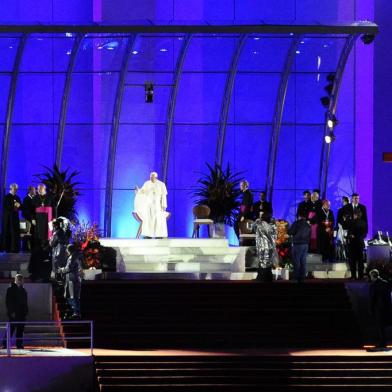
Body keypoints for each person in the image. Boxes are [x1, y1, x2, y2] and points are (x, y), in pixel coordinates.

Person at [135, 172, 168, 238]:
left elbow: (164, 196)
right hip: (149, 206)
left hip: (158, 206)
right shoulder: (147, 183)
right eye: (150, 177)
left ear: (156, 177)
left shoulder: (161, 184)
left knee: (158, 221)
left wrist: (164, 205)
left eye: (152, 177)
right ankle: (148, 235)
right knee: (148, 220)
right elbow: (142, 191)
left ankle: (159, 235)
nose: (151, 178)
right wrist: (138, 190)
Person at [2, 274, 28, 350]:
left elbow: (25, 302)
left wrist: (26, 311)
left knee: (20, 330)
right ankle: (5, 344)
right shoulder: (10, 289)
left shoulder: (23, 290)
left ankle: (19, 344)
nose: (20, 281)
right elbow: (8, 301)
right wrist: (11, 312)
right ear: (15, 280)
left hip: (22, 314)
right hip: (14, 314)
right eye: (18, 279)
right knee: (10, 330)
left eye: (21, 279)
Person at [368, 269, 392, 351]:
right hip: (386, 307)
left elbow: (372, 298)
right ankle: (383, 342)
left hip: (378, 308)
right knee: (383, 326)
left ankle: (382, 342)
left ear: (372, 276)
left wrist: (371, 309)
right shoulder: (385, 283)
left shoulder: (374, 285)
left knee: (380, 326)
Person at [58, 244, 82, 319]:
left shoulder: (72, 257)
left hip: (72, 279)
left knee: (73, 296)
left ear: (69, 250)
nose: (66, 251)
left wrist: (61, 270)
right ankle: (74, 311)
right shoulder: (75, 256)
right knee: (71, 296)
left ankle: (76, 312)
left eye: (67, 250)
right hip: (72, 279)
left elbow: (69, 268)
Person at [253, 211, 277, 282]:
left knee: (262, 263)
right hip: (270, 248)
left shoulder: (259, 225)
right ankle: (268, 278)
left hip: (262, 248)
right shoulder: (272, 226)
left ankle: (261, 278)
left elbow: (252, 228)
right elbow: (275, 236)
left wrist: (257, 221)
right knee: (268, 263)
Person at [288, 213, 311, 283]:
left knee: (296, 261)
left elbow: (290, 232)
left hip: (298, 244)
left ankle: (296, 277)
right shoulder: (307, 224)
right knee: (303, 261)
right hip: (305, 244)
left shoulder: (296, 223)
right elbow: (309, 234)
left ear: (299, 217)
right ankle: (302, 277)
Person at [347, 209, 367, 280]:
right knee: (360, 261)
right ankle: (360, 276)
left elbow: (350, 233)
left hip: (353, 244)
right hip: (361, 243)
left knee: (353, 261)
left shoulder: (352, 222)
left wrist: (349, 236)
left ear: (355, 214)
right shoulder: (364, 222)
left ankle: (353, 276)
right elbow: (365, 234)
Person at [1, 183, 22, 253]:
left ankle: (15, 248)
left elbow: (21, 206)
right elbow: (7, 207)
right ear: (11, 188)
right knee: (8, 232)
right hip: (8, 219)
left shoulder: (17, 197)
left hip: (15, 218)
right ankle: (7, 248)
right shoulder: (6, 197)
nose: (16, 190)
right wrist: (14, 207)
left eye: (16, 189)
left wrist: (19, 206)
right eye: (14, 188)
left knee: (15, 233)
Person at [22, 185, 36, 250]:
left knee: (32, 234)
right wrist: (31, 218)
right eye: (33, 190)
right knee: (27, 233)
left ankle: (32, 247)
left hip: (33, 219)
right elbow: (26, 211)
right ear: (30, 191)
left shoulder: (34, 198)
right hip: (28, 219)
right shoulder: (26, 199)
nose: (35, 191)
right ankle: (25, 248)